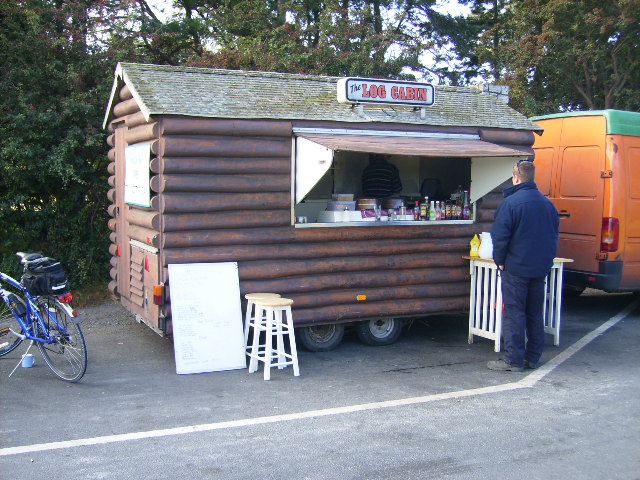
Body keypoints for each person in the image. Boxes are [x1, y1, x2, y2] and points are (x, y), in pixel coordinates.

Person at [488, 160, 559, 372]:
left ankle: (513, 359)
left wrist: (499, 260)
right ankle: (533, 357)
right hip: (539, 268)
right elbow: (553, 237)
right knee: (534, 313)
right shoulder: (548, 205)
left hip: (516, 268)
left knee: (514, 312)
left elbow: (500, 237)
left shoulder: (510, 204)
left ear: (515, 178)